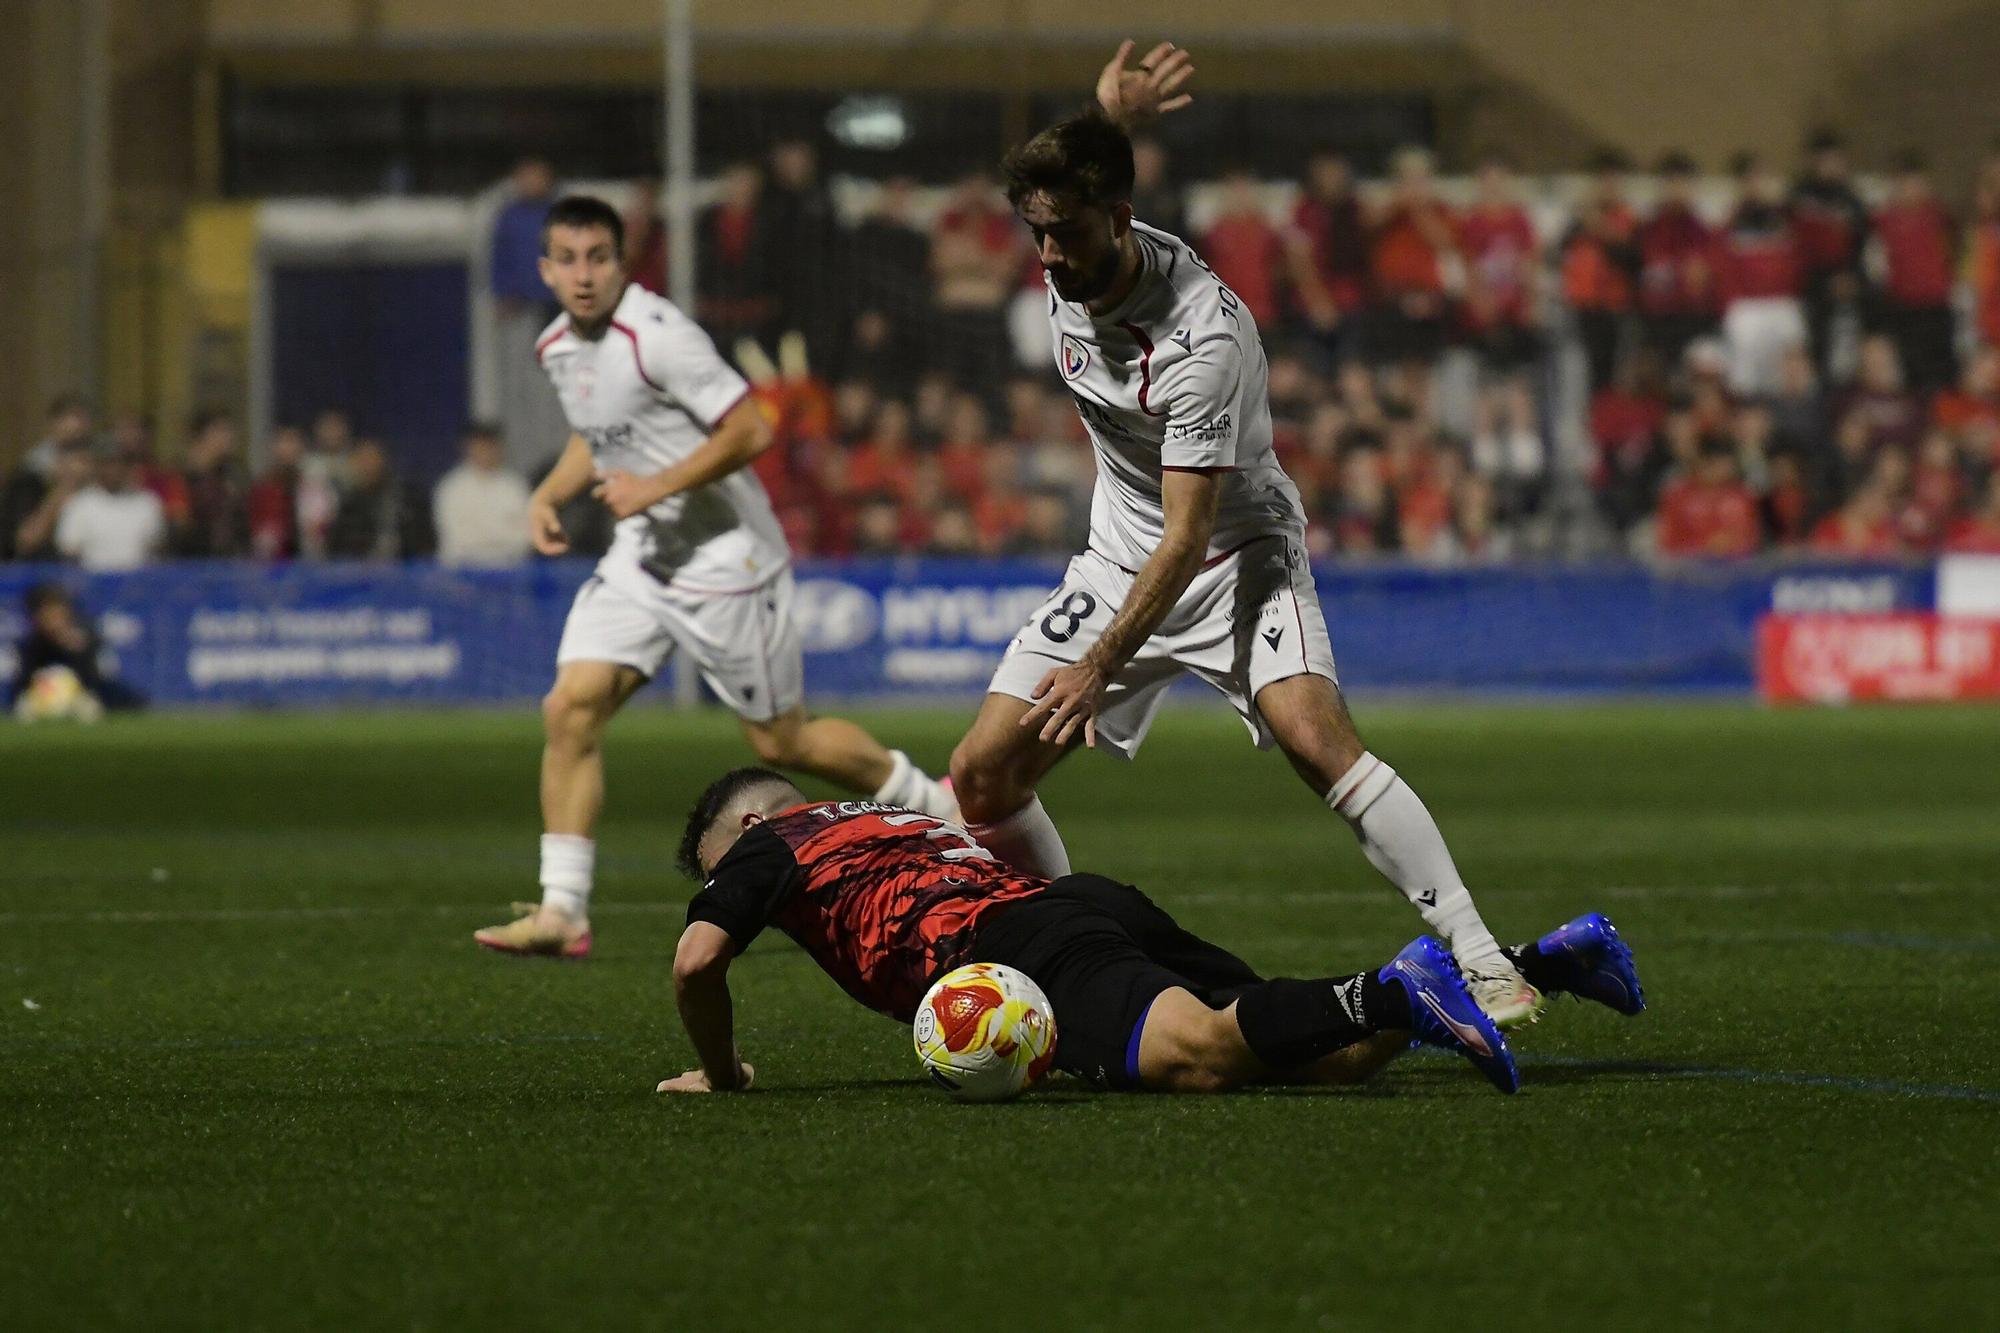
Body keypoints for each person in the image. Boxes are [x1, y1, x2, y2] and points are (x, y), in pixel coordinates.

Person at [942, 42, 1545, 1027]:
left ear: (1119, 221)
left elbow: (1188, 537)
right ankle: (1067, 953)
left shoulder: (1202, 342)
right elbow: (1085, 173)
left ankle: (1481, 959)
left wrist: (1097, 666)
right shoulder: (1076, 242)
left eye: (1061, 235)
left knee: (1315, 739)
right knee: (979, 773)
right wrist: (1109, 111)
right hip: (1117, 555)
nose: (1045, 257)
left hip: (1231, 556)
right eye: (1033, 233)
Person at [474, 194, 957, 959]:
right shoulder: (559, 345)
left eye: (597, 257)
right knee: (570, 708)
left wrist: (653, 487)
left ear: (621, 262)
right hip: (643, 556)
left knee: (781, 737)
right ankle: (563, 909)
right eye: (566, 259)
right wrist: (550, 492)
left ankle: (936, 803)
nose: (583, 274)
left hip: (727, 560)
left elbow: (751, 427)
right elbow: (601, 436)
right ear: (545, 269)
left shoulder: (659, 336)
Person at [659, 767, 1646, 1095]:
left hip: (1013, 949)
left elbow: (697, 959)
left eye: (714, 867)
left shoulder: (770, 844)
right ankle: (1538, 963)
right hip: (1082, 902)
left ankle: (1397, 986)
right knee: (1312, 1055)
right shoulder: (888, 814)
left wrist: (723, 1066)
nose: (727, 887)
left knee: (1202, 1061)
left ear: (743, 829)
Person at [8, 583, 145, 715]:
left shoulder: (84, 639)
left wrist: (75, 651)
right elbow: (20, 691)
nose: (53, 619)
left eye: (57, 612)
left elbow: (98, 683)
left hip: (89, 702)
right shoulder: (31, 648)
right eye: (47, 613)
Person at [52, 442, 167, 571]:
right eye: (108, 463)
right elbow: (68, 552)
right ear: (98, 466)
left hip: (137, 585)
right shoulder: (79, 504)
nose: (114, 469)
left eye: (119, 463)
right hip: (93, 584)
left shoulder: (148, 503)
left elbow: (157, 549)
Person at [433, 422, 532, 566]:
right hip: (462, 575)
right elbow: (458, 539)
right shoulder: (451, 488)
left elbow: (525, 537)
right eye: (480, 445)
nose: (486, 451)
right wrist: (501, 533)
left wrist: (487, 533)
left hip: (508, 572)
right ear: (467, 447)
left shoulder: (515, 486)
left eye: (491, 445)